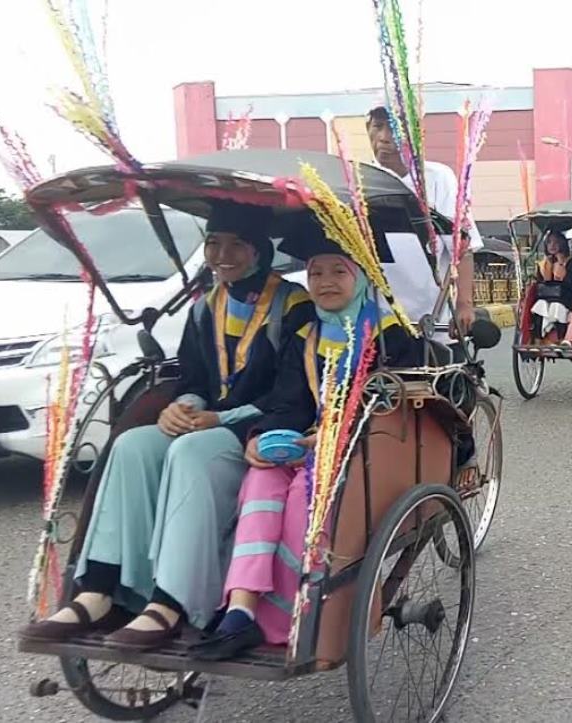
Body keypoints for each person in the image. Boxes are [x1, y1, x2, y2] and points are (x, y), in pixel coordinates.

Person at [19, 201, 314, 649]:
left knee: (190, 451)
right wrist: (183, 406)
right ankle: (100, 590)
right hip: (208, 422)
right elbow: (194, 379)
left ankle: (172, 602)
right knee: (133, 446)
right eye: (214, 244)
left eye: (237, 245)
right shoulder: (205, 307)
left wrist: (219, 418)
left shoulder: (294, 306)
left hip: (263, 427)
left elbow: (293, 395)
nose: (223, 256)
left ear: (260, 251)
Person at [190, 237, 420, 660]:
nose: (325, 281)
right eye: (315, 272)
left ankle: (284, 618)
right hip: (308, 442)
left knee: (302, 494)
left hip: (364, 447)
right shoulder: (306, 334)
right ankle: (240, 609)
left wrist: (338, 435)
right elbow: (288, 401)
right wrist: (263, 436)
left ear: (361, 278)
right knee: (260, 479)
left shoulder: (391, 334)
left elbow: (395, 403)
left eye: (338, 271)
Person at [366, 106, 482, 341]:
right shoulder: (359, 180)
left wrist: (464, 304)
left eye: (395, 129)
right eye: (378, 127)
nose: (384, 137)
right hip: (378, 325)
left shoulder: (439, 178)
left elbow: (463, 248)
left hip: (433, 322)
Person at [531, 230, 572, 341]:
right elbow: (541, 282)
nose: (552, 245)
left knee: (557, 306)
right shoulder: (544, 263)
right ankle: (538, 338)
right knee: (539, 305)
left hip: (566, 296)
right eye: (549, 242)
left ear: (562, 244)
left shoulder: (571, 262)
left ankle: (561, 338)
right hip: (547, 296)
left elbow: (570, 283)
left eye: (556, 242)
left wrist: (561, 264)